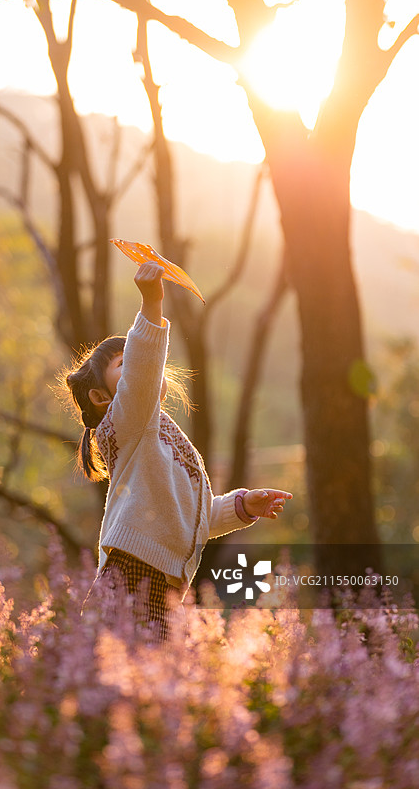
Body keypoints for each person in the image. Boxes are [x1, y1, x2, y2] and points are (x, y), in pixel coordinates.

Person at [57, 261, 292, 639]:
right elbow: (141, 375)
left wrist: (242, 506)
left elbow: (188, 517)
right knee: (130, 681)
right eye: (123, 362)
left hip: (163, 581)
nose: (136, 365)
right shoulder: (125, 423)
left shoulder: (159, 433)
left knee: (146, 688)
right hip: (134, 570)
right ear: (103, 398)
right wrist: (152, 304)